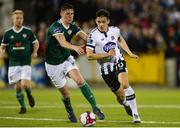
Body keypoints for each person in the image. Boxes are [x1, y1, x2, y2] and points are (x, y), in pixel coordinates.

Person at [45, 3, 105, 122]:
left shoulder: (73, 26)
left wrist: (100, 43)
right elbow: (62, 42)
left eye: (72, 14)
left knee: (80, 80)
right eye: (67, 14)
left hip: (66, 59)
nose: (70, 16)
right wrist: (75, 47)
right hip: (53, 65)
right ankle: (69, 111)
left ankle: (95, 107)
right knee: (66, 94)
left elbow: (86, 37)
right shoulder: (55, 27)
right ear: (61, 14)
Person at [86, 9, 141, 123]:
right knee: (120, 97)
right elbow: (89, 55)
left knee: (125, 84)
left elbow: (120, 39)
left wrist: (129, 53)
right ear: (96, 21)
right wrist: (106, 55)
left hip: (118, 60)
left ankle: (136, 115)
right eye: (99, 22)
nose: (101, 24)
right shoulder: (92, 35)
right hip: (105, 68)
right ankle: (125, 104)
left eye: (103, 21)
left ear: (108, 21)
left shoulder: (115, 30)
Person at [0, 10, 39, 114]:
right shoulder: (8, 33)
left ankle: (29, 94)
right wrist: (1, 52)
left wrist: (35, 52)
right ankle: (23, 107)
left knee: (25, 85)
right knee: (17, 86)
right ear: (13, 19)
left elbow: (36, 43)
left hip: (25, 62)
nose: (19, 20)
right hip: (13, 64)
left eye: (21, 18)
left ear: (23, 19)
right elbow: (3, 46)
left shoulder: (28, 32)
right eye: (17, 18)